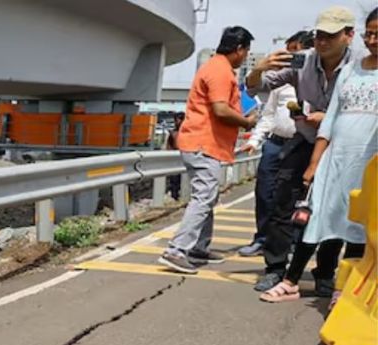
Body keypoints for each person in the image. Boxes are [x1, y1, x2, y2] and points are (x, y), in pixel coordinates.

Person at [260, 8, 377, 304]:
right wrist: (314, 164)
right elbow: (332, 118)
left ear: (346, 36)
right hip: (334, 157)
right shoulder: (350, 71)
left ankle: (343, 288)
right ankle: (290, 281)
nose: (373, 40)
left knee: (356, 226)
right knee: (315, 218)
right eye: (370, 33)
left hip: (369, 164)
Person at [158, 27, 258, 274]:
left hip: (201, 143)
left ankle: (198, 247)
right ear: (239, 49)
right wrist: (247, 122)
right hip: (204, 144)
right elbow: (221, 110)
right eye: (246, 52)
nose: (245, 56)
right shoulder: (221, 71)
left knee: (207, 196)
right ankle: (177, 250)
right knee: (204, 197)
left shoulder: (216, 67)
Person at [236, 32, 305, 257]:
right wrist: (256, 140)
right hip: (274, 144)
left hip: (301, 144)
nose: (289, 57)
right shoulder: (280, 81)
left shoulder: (315, 82)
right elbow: (268, 114)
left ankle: (292, 242)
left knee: (294, 199)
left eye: (294, 51)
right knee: (265, 194)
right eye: (287, 52)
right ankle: (263, 238)